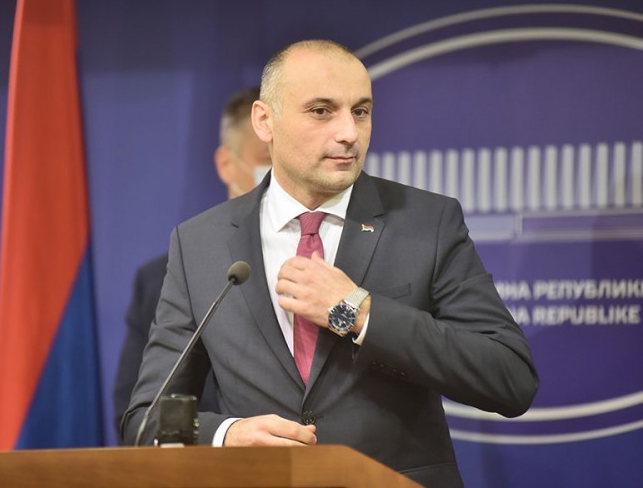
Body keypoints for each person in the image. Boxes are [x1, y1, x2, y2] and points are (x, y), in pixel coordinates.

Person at [121, 40, 538, 487]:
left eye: (361, 111)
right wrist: (227, 435)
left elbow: (510, 379)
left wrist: (358, 311)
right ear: (264, 121)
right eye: (321, 111)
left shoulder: (427, 223)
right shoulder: (199, 243)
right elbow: (145, 419)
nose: (349, 133)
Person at [112, 86, 270, 432]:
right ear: (227, 164)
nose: (279, 176)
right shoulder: (161, 279)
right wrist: (225, 436)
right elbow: (139, 417)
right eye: (266, 160)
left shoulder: (324, 265)